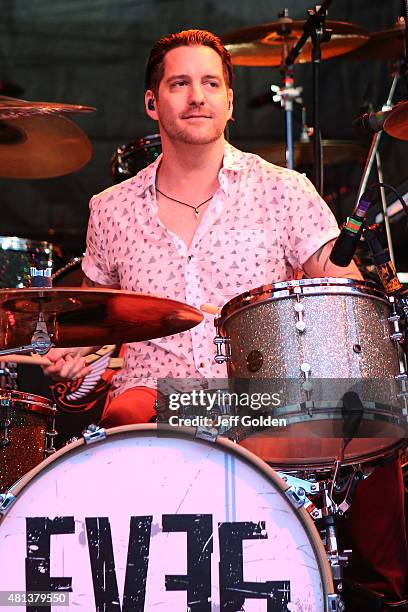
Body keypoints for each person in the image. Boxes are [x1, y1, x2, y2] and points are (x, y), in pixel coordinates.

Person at [42, 29, 407, 609]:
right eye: (180, 83)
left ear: (231, 102)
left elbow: (341, 288)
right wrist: (75, 362)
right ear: (152, 102)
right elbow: (91, 326)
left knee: (368, 413)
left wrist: (334, 288)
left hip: (258, 398)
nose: (197, 96)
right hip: (155, 395)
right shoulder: (109, 211)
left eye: (211, 83)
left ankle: (381, 595)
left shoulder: (282, 191)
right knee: (130, 407)